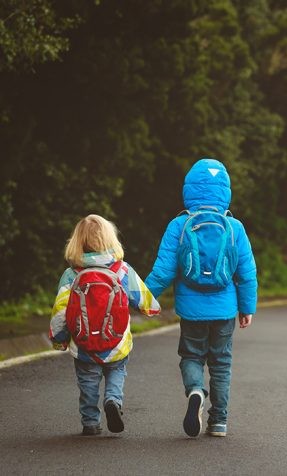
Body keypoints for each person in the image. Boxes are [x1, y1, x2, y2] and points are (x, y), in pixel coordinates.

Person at [145, 157, 257, 438]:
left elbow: (162, 271)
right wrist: (247, 307)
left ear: (189, 189)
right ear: (226, 190)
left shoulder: (179, 225)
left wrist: (143, 300)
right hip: (224, 309)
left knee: (191, 356)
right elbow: (247, 273)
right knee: (221, 364)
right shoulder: (235, 228)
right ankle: (218, 421)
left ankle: (195, 389)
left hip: (191, 309)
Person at [49, 214, 161, 436]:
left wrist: (59, 339)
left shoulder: (71, 275)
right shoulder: (122, 271)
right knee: (117, 371)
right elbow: (145, 300)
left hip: (84, 344)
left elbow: (60, 312)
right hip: (116, 342)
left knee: (88, 382)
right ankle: (113, 400)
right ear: (111, 241)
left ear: (76, 243)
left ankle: (90, 422)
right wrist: (152, 309)